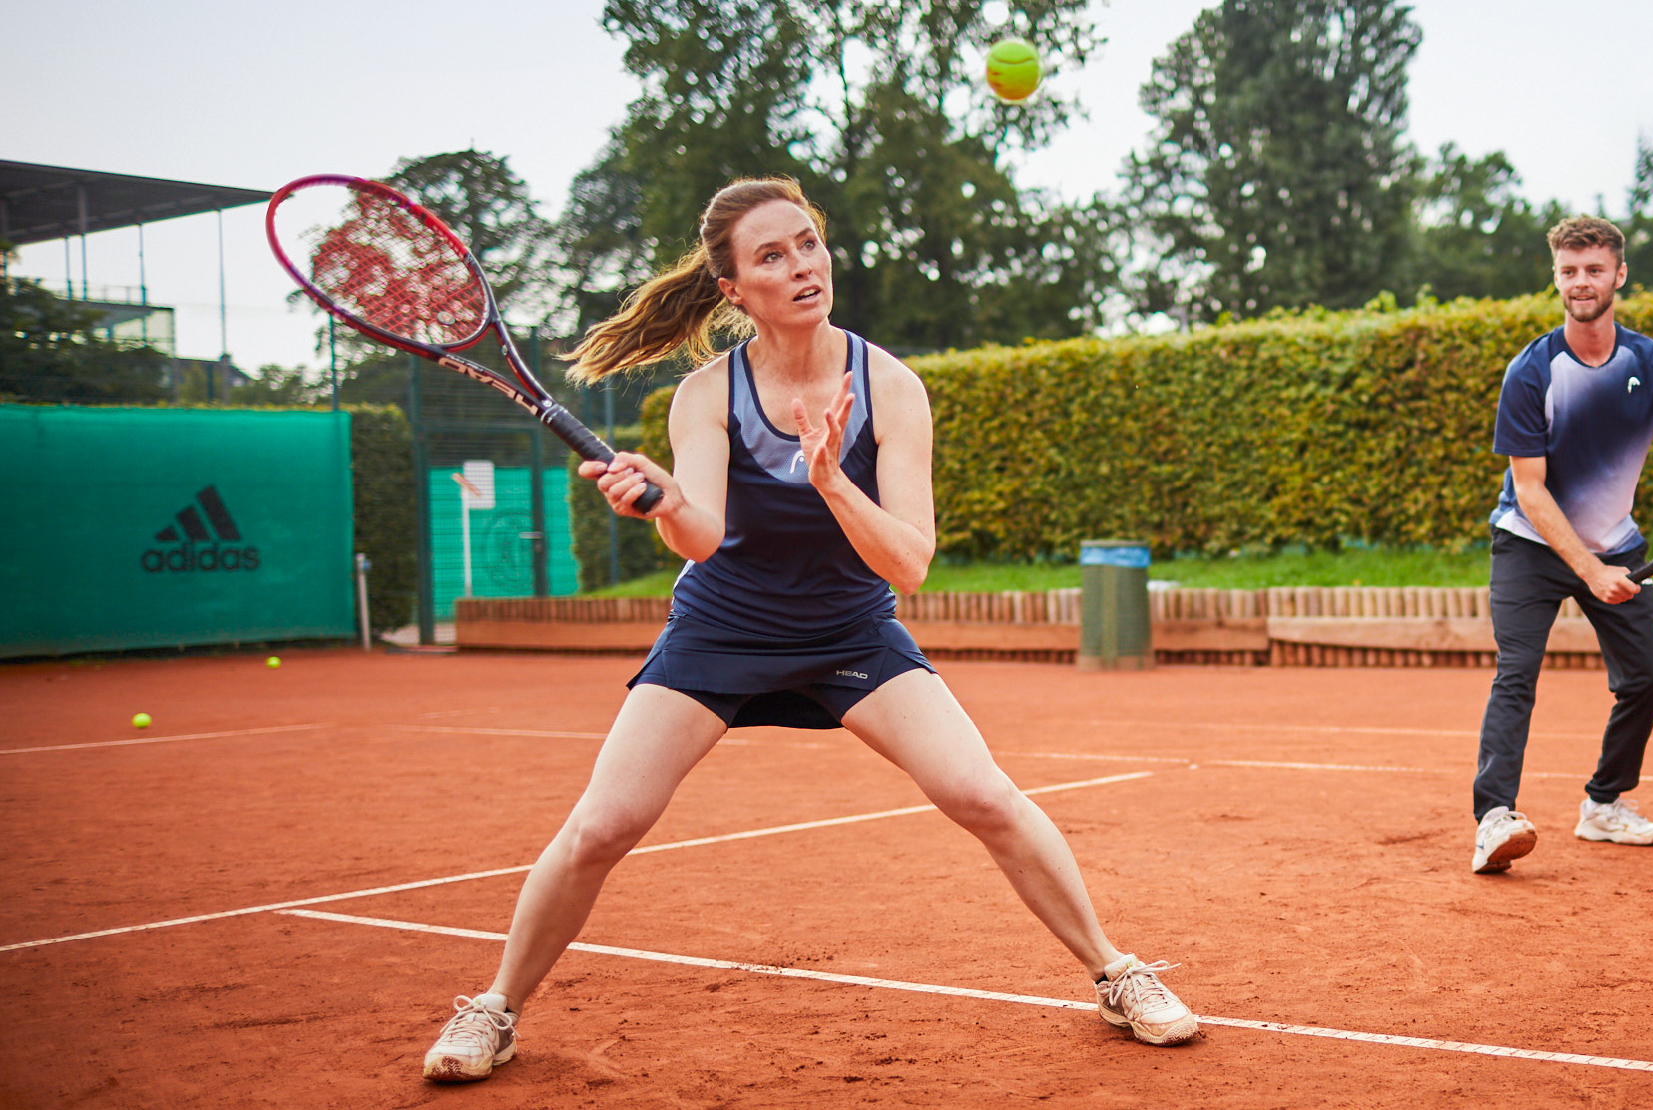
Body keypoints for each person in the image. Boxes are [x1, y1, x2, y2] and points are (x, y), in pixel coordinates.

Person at [421, 177, 1198, 1083]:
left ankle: (1116, 971)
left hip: (850, 633)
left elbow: (909, 563)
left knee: (983, 796)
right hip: (722, 629)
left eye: (808, 244)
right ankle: (496, 1008)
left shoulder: (891, 387)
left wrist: (832, 482)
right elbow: (701, 535)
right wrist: (663, 501)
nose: (802, 267)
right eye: (772, 256)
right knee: (603, 824)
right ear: (733, 289)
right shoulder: (707, 395)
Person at [1470, 215, 1653, 876]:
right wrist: (1590, 571)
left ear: (1619, 275)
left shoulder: (1651, 362)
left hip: (1617, 542)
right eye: (1569, 271)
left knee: (1647, 680)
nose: (1582, 281)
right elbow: (1529, 490)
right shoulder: (1532, 370)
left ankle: (1603, 804)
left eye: (1595, 269)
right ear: (1556, 278)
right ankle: (1494, 819)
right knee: (1517, 673)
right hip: (1529, 543)